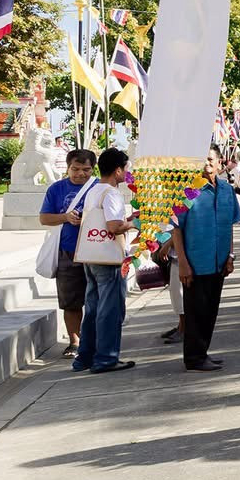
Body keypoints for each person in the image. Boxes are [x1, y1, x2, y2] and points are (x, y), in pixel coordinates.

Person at [169, 146, 240, 372]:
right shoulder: (188, 190)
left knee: (210, 311)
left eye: (210, 159)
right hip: (195, 263)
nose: (206, 164)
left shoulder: (228, 191)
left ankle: (202, 353)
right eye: (202, 160)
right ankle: (194, 358)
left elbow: (230, 225)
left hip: (219, 262)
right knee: (195, 313)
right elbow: (176, 228)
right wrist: (183, 263)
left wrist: (230, 256)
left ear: (220, 163)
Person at [73, 148, 137, 374]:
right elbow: (113, 227)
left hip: (91, 256)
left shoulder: (93, 190)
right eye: (126, 169)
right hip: (108, 260)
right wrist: (133, 224)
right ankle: (106, 358)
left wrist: (127, 219)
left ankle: (85, 357)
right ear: (118, 170)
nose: (126, 173)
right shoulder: (112, 193)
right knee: (110, 310)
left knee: (92, 308)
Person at [38, 148, 100, 358]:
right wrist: (65, 217)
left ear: (93, 169)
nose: (80, 174)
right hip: (68, 251)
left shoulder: (100, 187)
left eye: (86, 169)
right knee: (70, 300)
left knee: (98, 299)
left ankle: (96, 339)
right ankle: (75, 342)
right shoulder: (56, 189)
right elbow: (45, 218)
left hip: (96, 252)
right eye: (75, 169)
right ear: (67, 167)